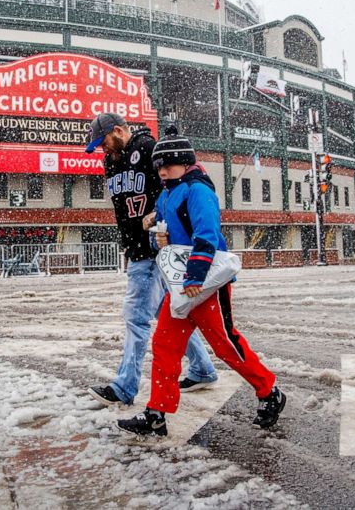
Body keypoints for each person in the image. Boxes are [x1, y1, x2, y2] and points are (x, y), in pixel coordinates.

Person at [117, 128, 285, 437]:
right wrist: (159, 240)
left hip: (206, 285)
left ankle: (269, 390)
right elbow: (169, 245)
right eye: (158, 167)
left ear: (184, 161)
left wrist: (195, 277)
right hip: (181, 286)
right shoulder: (168, 194)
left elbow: (207, 236)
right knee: (165, 344)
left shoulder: (198, 191)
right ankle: (157, 412)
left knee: (226, 346)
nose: (162, 171)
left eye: (167, 165)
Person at [84, 113, 218, 407]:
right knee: (168, 311)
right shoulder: (111, 161)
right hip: (137, 246)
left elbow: (172, 186)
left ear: (118, 130)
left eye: (103, 141)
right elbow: (123, 209)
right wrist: (128, 241)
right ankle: (203, 369)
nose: (102, 149)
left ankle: (124, 386)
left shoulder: (147, 147)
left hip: (154, 245)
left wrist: (159, 218)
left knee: (136, 317)